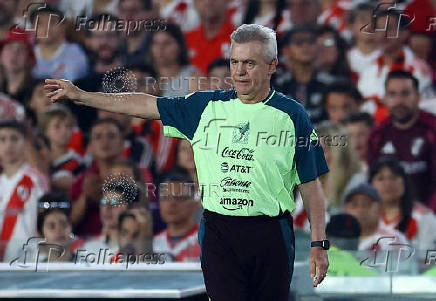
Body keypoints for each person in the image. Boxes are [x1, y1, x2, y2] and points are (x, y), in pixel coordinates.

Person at [45, 24, 330, 300]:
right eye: (234, 62)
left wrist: (318, 243)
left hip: (271, 233)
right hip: (220, 231)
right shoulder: (204, 107)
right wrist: (82, 96)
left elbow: (311, 185)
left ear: (272, 65)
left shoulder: (292, 116)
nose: (240, 71)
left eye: (250, 63)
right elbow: (144, 104)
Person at [367, 71, 436, 212]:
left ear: (418, 97)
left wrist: (428, 215)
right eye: (392, 94)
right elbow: (372, 180)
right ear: (385, 99)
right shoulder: (377, 133)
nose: (398, 101)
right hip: (387, 214)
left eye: (405, 94)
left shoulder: (432, 129)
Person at [0, 120, 49, 262]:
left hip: (31, 257)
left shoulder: (35, 178)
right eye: (2, 139)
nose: (9, 145)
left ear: (25, 143)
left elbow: (46, 217)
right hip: (3, 262)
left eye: (14, 139)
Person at [70, 119, 125, 236]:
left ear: (122, 143)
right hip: (89, 246)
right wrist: (85, 196)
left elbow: (145, 210)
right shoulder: (82, 179)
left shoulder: (137, 173)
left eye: (111, 136)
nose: (105, 142)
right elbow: (70, 221)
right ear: (90, 146)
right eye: (98, 137)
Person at [369, 157, 436, 252]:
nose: (387, 183)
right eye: (380, 179)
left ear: (404, 182)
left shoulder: (423, 217)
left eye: (393, 177)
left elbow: (428, 259)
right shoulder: (366, 217)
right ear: (371, 185)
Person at [273, 25, 328, 125]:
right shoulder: (276, 86)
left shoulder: (329, 84)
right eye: (299, 42)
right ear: (286, 51)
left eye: (311, 41)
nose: (305, 46)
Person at [342, 183, 408, 251]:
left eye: (366, 204)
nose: (360, 210)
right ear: (345, 210)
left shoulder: (394, 239)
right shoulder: (337, 240)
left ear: (380, 208)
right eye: (354, 205)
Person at [31, 5, 89, 82]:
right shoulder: (27, 53)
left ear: (62, 26)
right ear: (32, 28)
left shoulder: (75, 52)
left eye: (52, 22)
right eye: (40, 23)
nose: (46, 27)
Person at [153, 168, 201, 262]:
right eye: (165, 198)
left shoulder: (205, 240)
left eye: (179, 198)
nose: (171, 204)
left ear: (194, 203)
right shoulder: (153, 243)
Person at [38, 105, 86, 192]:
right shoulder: (40, 156)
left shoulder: (77, 161)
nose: (64, 131)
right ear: (45, 130)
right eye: (57, 126)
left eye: (68, 126)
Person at [150, 23, 203, 97]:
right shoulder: (143, 76)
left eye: (167, 43)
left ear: (180, 46)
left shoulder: (193, 77)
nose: (160, 48)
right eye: (156, 43)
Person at [184, 0, 235, 74]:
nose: (208, 2)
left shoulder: (242, 39)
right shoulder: (184, 40)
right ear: (194, 3)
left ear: (227, 2)